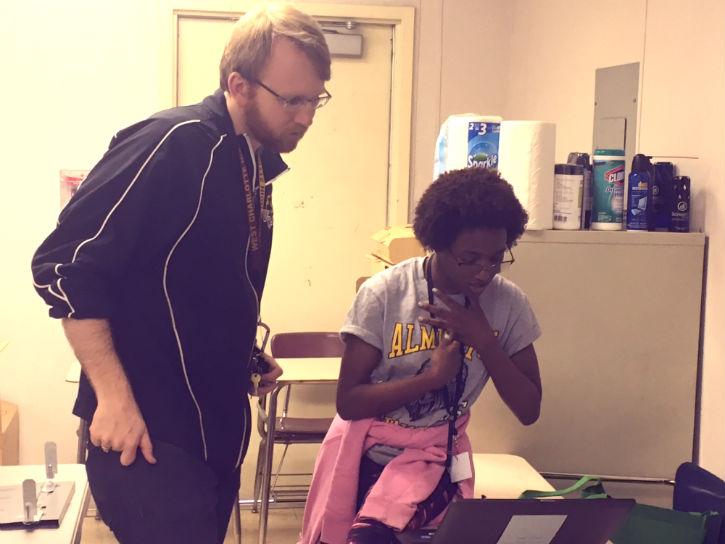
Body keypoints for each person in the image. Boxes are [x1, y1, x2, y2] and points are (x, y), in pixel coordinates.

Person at [31, 4, 331, 543]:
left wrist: (241, 352)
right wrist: (114, 399)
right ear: (238, 85)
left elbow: (190, 285)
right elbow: (65, 267)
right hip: (148, 435)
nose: (306, 116)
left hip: (214, 432)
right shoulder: (175, 142)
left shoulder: (252, 164)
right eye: (292, 99)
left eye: (315, 98)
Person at [299, 167, 543, 544]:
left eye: (496, 258)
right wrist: (430, 380)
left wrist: (486, 342)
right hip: (369, 460)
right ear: (437, 244)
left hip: (440, 459)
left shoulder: (508, 303)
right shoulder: (385, 294)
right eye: (469, 259)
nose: (484, 272)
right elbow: (349, 402)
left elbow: (529, 409)